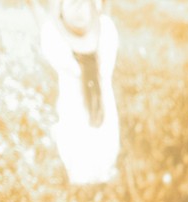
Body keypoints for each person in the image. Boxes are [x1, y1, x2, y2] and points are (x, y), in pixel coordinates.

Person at [29, 0, 121, 185]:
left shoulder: (59, 51)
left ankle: (87, 180)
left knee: (79, 148)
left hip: (76, 138)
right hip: (103, 136)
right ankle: (99, 176)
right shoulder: (108, 36)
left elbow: (47, 26)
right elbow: (102, 15)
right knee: (98, 147)